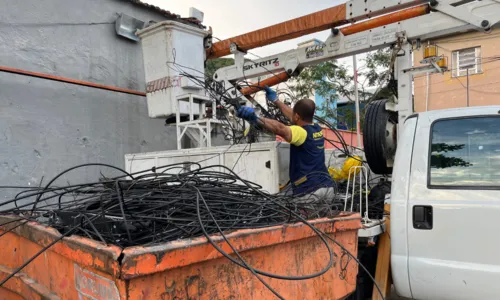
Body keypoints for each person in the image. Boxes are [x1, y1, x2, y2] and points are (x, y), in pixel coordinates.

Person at [236, 86, 335, 211]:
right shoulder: (316, 129)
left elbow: (280, 129)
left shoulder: (300, 132)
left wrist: (256, 118)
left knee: (303, 226)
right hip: (327, 188)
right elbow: (293, 115)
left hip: (310, 192)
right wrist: (276, 100)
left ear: (298, 116)